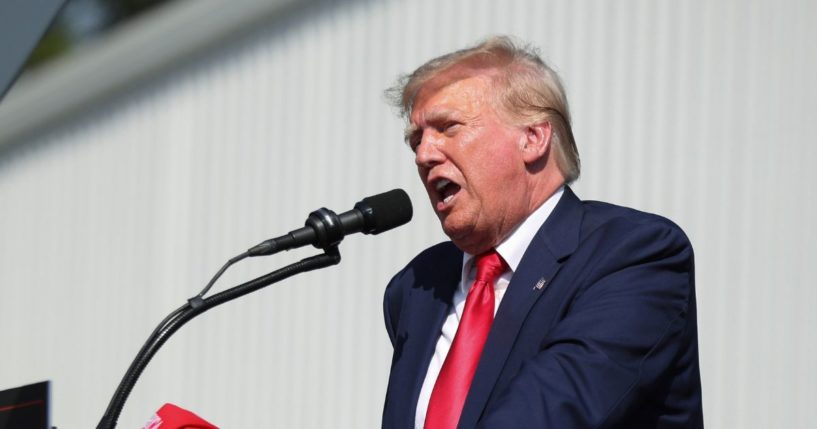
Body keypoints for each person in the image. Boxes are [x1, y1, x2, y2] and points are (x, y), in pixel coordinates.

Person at [381, 36, 703, 429]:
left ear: (533, 138)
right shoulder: (417, 286)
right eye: (416, 139)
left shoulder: (635, 254)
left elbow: (555, 410)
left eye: (448, 127)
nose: (423, 154)